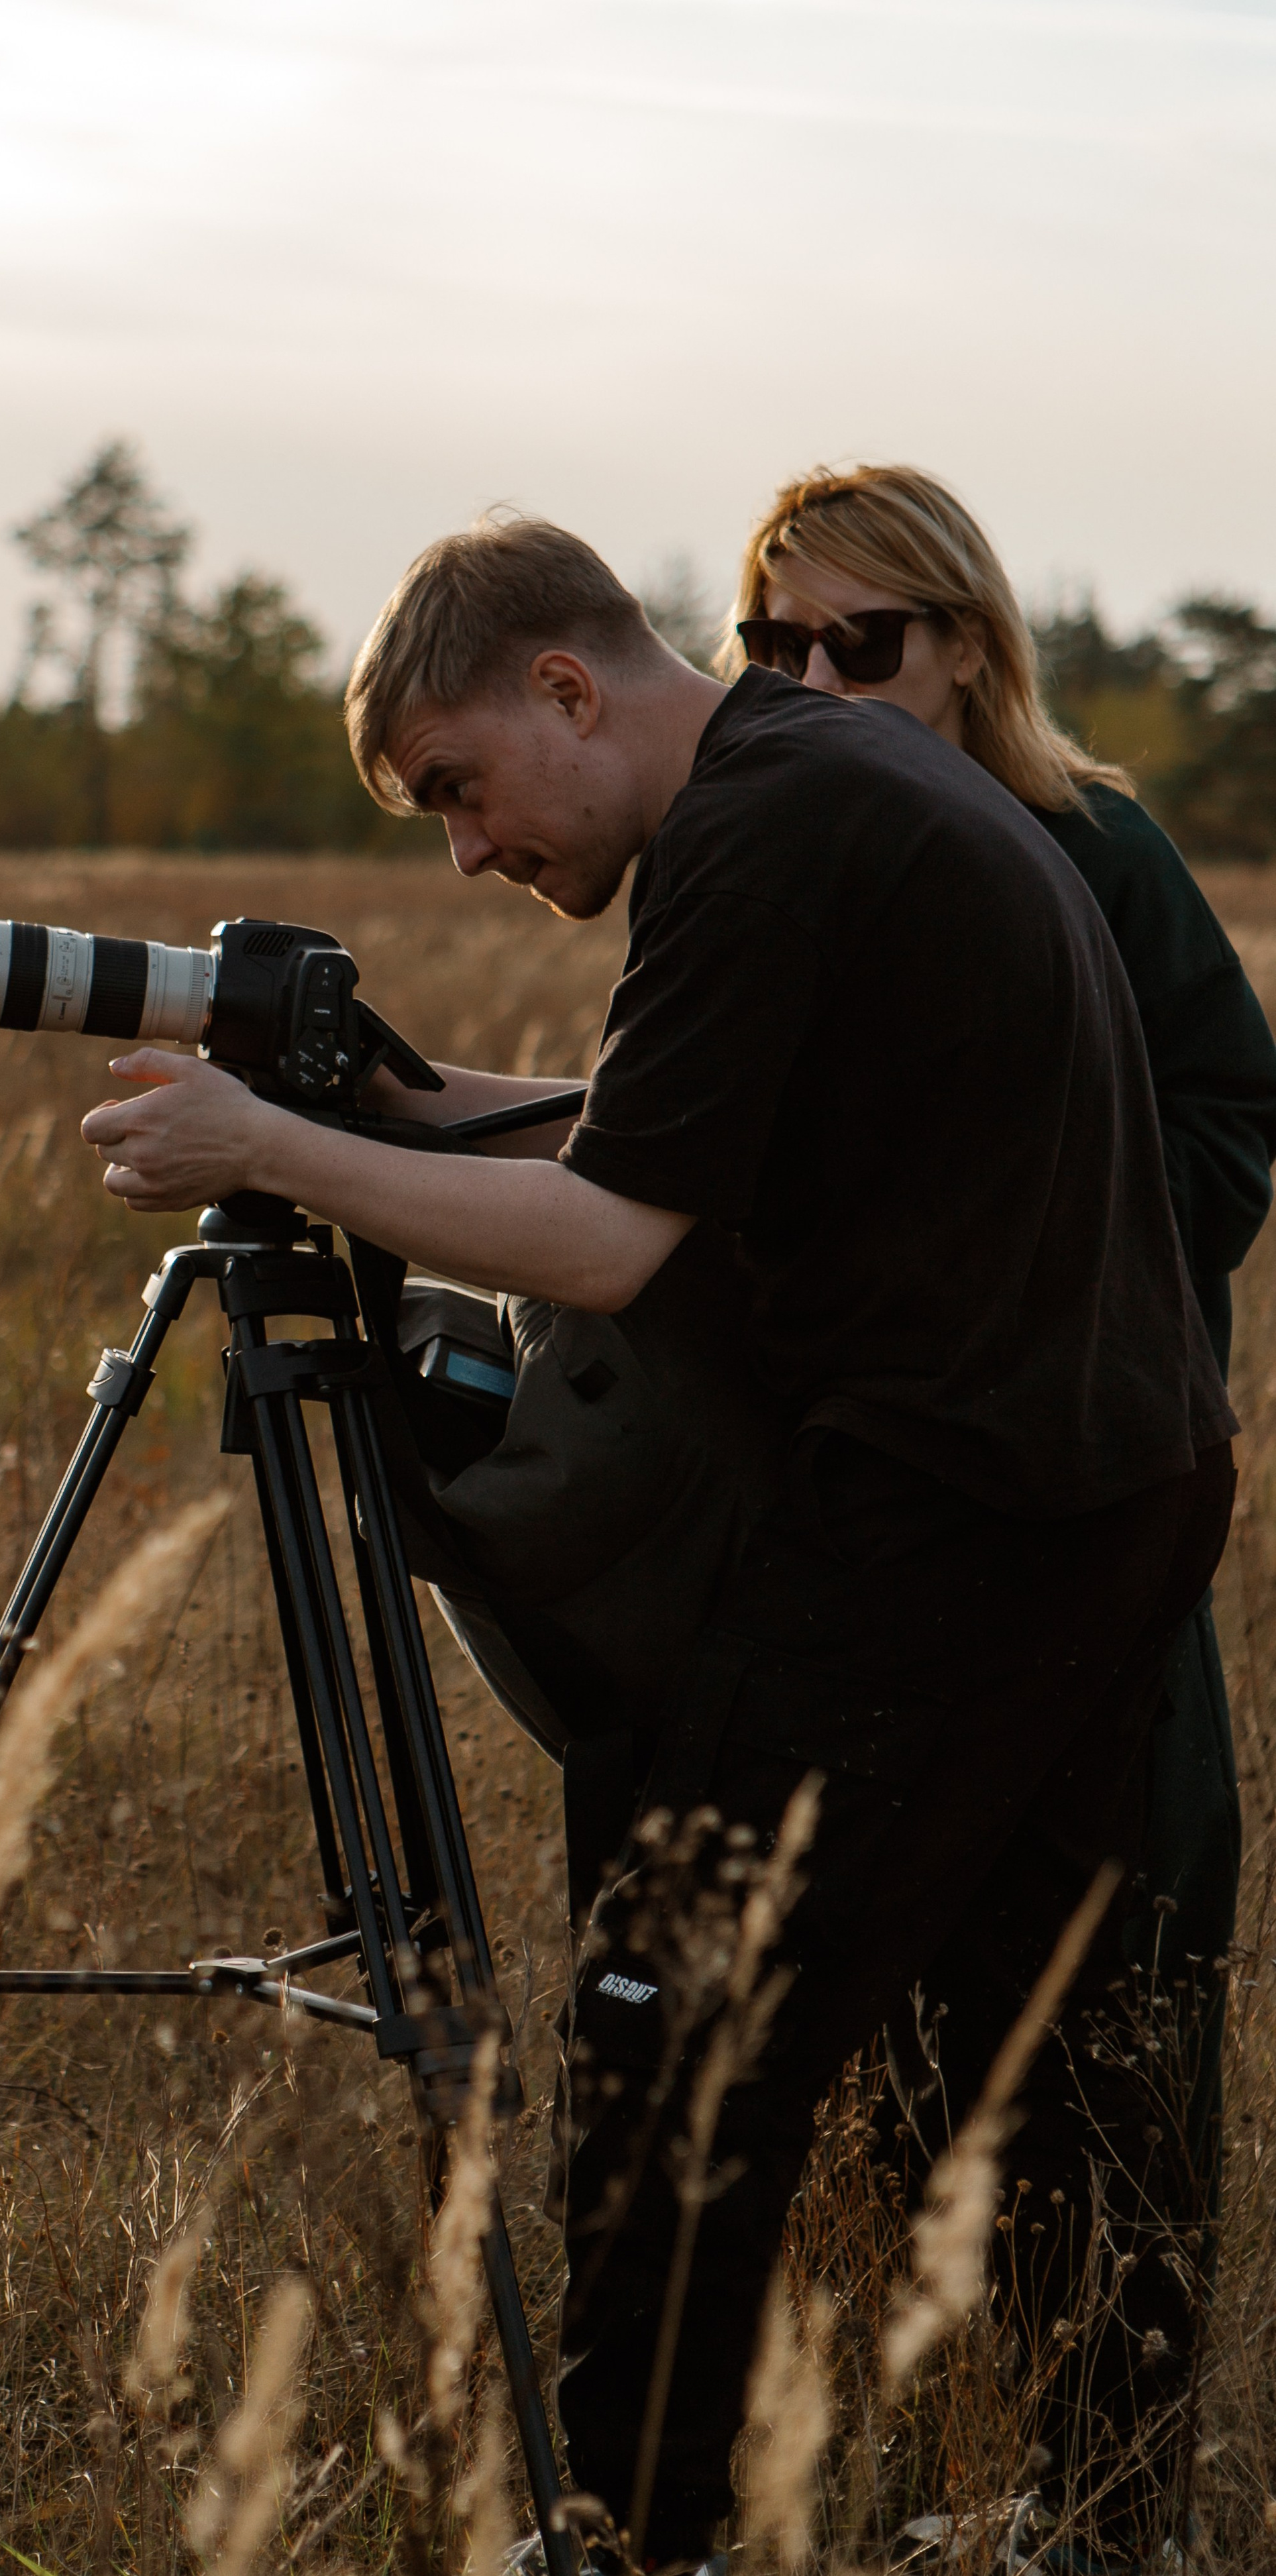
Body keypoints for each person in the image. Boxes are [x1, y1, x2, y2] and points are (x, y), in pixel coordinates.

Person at [78, 515, 1236, 2569]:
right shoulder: (815, 784)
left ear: (565, 690)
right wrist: (388, 1104)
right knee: (1041, 2038)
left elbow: (607, 1242)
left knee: (672, 2007)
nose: (462, 851)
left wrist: (265, 1152)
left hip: (966, 1510)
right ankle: (1098, 2521)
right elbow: (637, 1135)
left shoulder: (764, 828)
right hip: (1089, 1488)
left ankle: (623, 2539)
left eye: (459, 789)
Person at [726, 462, 1276, 2222]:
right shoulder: (769, 853)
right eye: (769, 646)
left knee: (1118, 1936)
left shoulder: (1095, 845)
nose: (809, 685)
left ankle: (1106, 2483)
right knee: (895, 1967)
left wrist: (1053, 1275)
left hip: (1089, 1476)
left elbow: (1222, 1118)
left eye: (857, 644)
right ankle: (939, 2435)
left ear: (966, 644)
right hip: (866, 1502)